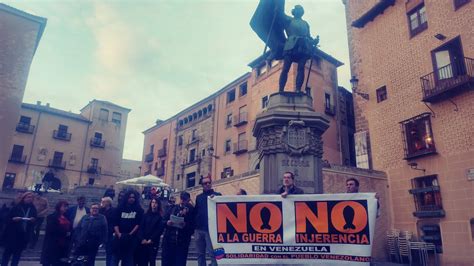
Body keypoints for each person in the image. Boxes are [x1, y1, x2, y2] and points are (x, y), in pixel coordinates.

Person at [278, 5, 318, 93]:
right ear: (294, 11)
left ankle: (298, 89)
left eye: (301, 9)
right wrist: (277, 7)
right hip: (290, 45)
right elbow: (279, 14)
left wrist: (314, 41)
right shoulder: (288, 20)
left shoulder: (306, 24)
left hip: (304, 46)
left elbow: (308, 36)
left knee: (301, 68)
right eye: (297, 9)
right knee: (285, 68)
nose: (299, 11)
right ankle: (281, 89)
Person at [1, 192, 37, 266]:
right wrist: (14, 219)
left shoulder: (33, 209)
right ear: (24, 198)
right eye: (28, 197)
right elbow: (7, 219)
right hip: (12, 234)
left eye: (31, 197)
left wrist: (33, 220)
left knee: (17, 255)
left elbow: (35, 221)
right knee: (7, 253)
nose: (30, 199)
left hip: (23, 235)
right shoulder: (16, 207)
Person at [161, 191, 195, 266]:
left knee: (180, 262)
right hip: (169, 241)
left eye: (185, 200)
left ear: (188, 200)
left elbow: (193, 227)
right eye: (182, 199)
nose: (183, 201)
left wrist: (185, 225)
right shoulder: (172, 208)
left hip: (182, 242)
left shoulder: (191, 210)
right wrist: (167, 223)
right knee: (167, 262)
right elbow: (162, 221)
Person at [111, 189, 144, 266]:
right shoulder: (119, 208)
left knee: (128, 259)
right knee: (115, 259)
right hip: (119, 237)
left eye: (133, 197)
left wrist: (130, 234)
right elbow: (115, 223)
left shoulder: (138, 209)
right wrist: (119, 234)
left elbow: (138, 224)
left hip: (131, 238)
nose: (131, 199)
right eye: (130, 197)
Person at [194, 175, 221, 266]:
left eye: (209, 182)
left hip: (211, 230)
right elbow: (196, 211)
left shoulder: (217, 195)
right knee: (200, 254)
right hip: (198, 229)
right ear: (202, 185)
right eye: (205, 183)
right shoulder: (198, 197)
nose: (208, 184)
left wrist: (216, 199)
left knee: (212, 254)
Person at [41, 200, 72, 266]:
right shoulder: (52, 217)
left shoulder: (67, 217)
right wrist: (65, 232)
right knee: (51, 261)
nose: (66, 208)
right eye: (64, 206)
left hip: (63, 244)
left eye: (67, 206)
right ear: (59, 207)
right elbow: (52, 229)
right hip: (53, 243)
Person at [135, 198, 163, 266]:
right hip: (143, 242)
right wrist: (142, 239)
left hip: (153, 242)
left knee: (152, 261)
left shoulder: (160, 217)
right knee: (142, 262)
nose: (154, 204)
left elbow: (159, 230)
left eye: (156, 203)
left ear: (158, 205)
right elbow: (141, 227)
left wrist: (151, 239)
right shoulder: (145, 215)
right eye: (152, 202)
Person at [100, 197, 115, 266]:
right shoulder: (101, 210)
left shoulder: (113, 211)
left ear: (108, 203)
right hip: (101, 234)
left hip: (109, 233)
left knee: (109, 252)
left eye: (103, 202)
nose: (102, 203)